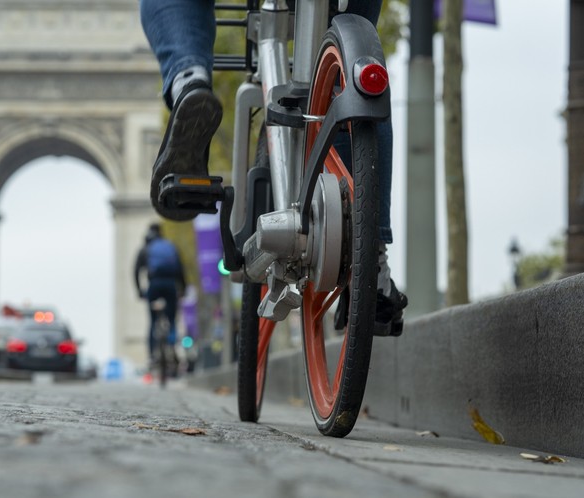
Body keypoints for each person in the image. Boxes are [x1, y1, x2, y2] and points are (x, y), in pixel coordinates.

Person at [139, 0, 407, 334]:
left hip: (158, 286)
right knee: (352, 65)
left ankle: (188, 80)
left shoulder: (151, 253)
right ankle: (372, 265)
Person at [134, 223, 186, 365]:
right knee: (171, 319)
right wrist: (183, 289)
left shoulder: (145, 248)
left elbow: (136, 271)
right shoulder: (170, 246)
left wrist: (139, 290)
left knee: (152, 321)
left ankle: (152, 355)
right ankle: (172, 344)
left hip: (154, 285)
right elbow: (181, 270)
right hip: (170, 285)